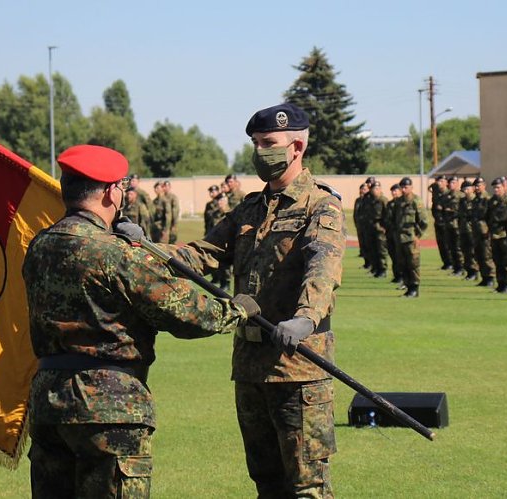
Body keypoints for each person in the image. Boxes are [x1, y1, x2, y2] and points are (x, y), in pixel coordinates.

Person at [22, 144, 261, 498]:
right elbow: (186, 314)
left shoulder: (40, 245)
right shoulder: (116, 253)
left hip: (48, 402)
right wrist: (237, 311)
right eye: (119, 187)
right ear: (109, 192)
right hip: (109, 406)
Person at [175, 103, 345, 497]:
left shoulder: (321, 206)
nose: (259, 152)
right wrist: (147, 248)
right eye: (255, 143)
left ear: (297, 147)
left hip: (298, 369)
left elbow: (322, 267)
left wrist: (305, 318)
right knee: (266, 483)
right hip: (250, 368)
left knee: (308, 488)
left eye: (268, 143)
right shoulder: (250, 208)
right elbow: (204, 253)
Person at [394, 176, 428, 297]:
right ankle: (408, 287)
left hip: (411, 238)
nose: (403, 189)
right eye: (402, 187)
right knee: (403, 264)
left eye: (406, 187)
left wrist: (417, 235)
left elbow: (423, 221)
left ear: (411, 187)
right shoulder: (398, 201)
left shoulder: (416, 201)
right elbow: (394, 219)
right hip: (400, 238)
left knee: (413, 264)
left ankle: (414, 288)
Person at [488, 177, 507, 294]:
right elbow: (487, 216)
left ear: (504, 187)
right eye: (494, 188)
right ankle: (501, 283)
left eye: (498, 187)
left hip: (505, 235)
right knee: (497, 261)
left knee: (506, 261)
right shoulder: (492, 201)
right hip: (495, 235)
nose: (496, 190)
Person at [471, 177, 495, 287]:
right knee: (479, 255)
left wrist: (489, 230)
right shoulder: (476, 200)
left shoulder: (487, 199)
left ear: (484, 186)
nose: (477, 187)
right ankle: (484, 277)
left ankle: (490, 277)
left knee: (487, 255)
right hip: (476, 231)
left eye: (479, 185)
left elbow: (491, 217)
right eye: (475, 186)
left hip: (485, 232)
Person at [367, 181, 388, 278]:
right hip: (371, 228)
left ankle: (383, 269)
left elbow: (388, 215)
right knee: (373, 249)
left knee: (381, 250)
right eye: (373, 189)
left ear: (380, 189)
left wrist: (385, 227)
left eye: (377, 189)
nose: (375, 191)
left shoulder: (383, 200)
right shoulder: (370, 200)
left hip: (380, 229)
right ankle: (377, 269)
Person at [458, 180, 479, 280]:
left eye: (467, 189)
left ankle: (474, 271)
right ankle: (469, 271)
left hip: (473, 230)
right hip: (463, 229)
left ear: (473, 189)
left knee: (473, 251)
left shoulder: (476, 200)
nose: (466, 191)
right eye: (464, 189)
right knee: (465, 251)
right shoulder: (462, 201)